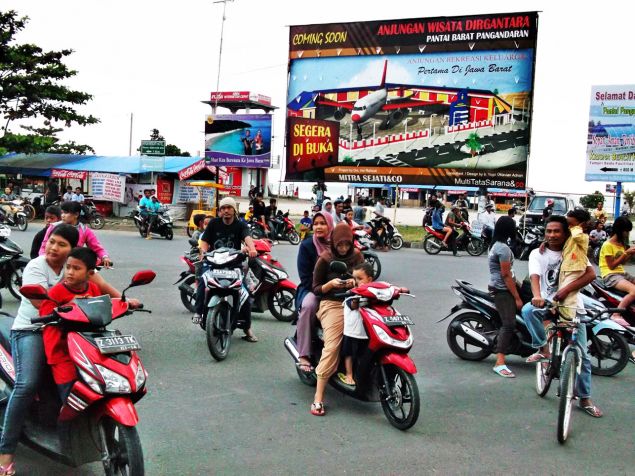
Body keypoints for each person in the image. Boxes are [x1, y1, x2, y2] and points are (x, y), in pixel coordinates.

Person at [0, 225, 138, 475]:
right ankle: (5, 454)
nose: (53, 248)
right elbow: (39, 302)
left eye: (61, 244)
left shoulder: (78, 265)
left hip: (72, 333)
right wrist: (71, 305)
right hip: (32, 331)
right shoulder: (35, 267)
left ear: (72, 250)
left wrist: (124, 302)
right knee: (27, 384)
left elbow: (101, 286)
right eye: (52, 241)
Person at [521, 215, 604, 417]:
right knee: (527, 311)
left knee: (583, 356)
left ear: (566, 232)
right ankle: (543, 348)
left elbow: (591, 274)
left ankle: (585, 398)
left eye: (557, 231)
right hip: (547, 303)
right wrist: (538, 296)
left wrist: (566, 291)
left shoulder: (573, 249)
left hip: (573, 306)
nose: (552, 235)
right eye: (548, 231)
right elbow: (535, 277)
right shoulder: (537, 253)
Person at [310, 223, 364, 416]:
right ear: (333, 243)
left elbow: (366, 278)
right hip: (332, 304)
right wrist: (330, 285)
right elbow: (315, 288)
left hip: (356, 302)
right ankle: (318, 398)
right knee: (332, 346)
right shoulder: (325, 258)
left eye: (346, 245)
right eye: (339, 245)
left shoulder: (357, 255)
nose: (343, 249)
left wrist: (355, 281)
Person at [39, 247, 102, 400]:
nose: (70, 272)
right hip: (60, 351)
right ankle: (64, 423)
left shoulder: (93, 288)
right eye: (68, 267)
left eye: (76, 268)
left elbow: (100, 311)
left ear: (90, 273)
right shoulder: (55, 293)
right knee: (69, 395)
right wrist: (69, 305)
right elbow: (44, 315)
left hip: (87, 348)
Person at [194, 197, 258, 341]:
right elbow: (204, 241)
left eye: (229, 208)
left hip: (233, 264)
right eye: (223, 208)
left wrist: (252, 249)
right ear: (220, 211)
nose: (226, 211)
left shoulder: (240, 225)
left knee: (245, 295)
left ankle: (247, 328)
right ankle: (198, 312)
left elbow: (247, 238)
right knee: (203, 281)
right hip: (214, 264)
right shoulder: (214, 224)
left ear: (234, 210)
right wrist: (202, 253)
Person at [295, 211, 334, 373]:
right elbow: (305, 278)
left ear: (330, 225)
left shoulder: (338, 244)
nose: (318, 227)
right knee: (309, 306)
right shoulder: (307, 246)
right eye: (316, 223)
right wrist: (323, 289)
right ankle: (303, 353)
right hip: (312, 289)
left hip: (337, 289)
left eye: (323, 223)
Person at [488, 216, 522, 378]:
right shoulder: (503, 249)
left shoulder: (496, 245)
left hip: (501, 286)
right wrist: (516, 297)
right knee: (508, 324)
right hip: (503, 290)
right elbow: (506, 275)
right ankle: (499, 362)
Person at [38, 201, 112, 268]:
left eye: (66, 213)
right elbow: (43, 247)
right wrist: (44, 260)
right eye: (62, 212)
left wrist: (105, 257)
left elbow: (96, 247)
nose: (63, 215)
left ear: (76, 214)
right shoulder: (53, 227)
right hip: (54, 263)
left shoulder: (84, 230)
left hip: (74, 265)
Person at [338, 262, 373, 386]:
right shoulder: (352, 292)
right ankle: (349, 374)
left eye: (360, 278)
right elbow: (353, 305)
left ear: (370, 279)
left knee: (363, 355)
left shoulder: (374, 292)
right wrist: (357, 295)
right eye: (355, 278)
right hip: (352, 331)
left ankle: (362, 375)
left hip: (366, 331)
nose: (357, 281)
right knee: (349, 354)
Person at [598, 216, 635, 326]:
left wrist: (630, 253)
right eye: (626, 231)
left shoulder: (621, 244)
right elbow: (612, 266)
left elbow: (622, 263)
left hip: (621, 273)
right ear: (619, 230)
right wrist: (626, 253)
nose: (627, 234)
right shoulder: (607, 245)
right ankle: (616, 314)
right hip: (610, 275)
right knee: (634, 291)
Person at [558, 208, 591, 320]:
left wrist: (579, 227)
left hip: (575, 269)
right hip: (567, 269)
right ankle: (571, 317)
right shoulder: (571, 236)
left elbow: (577, 235)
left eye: (571, 224)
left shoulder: (583, 237)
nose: (569, 227)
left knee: (567, 296)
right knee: (563, 294)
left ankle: (567, 321)